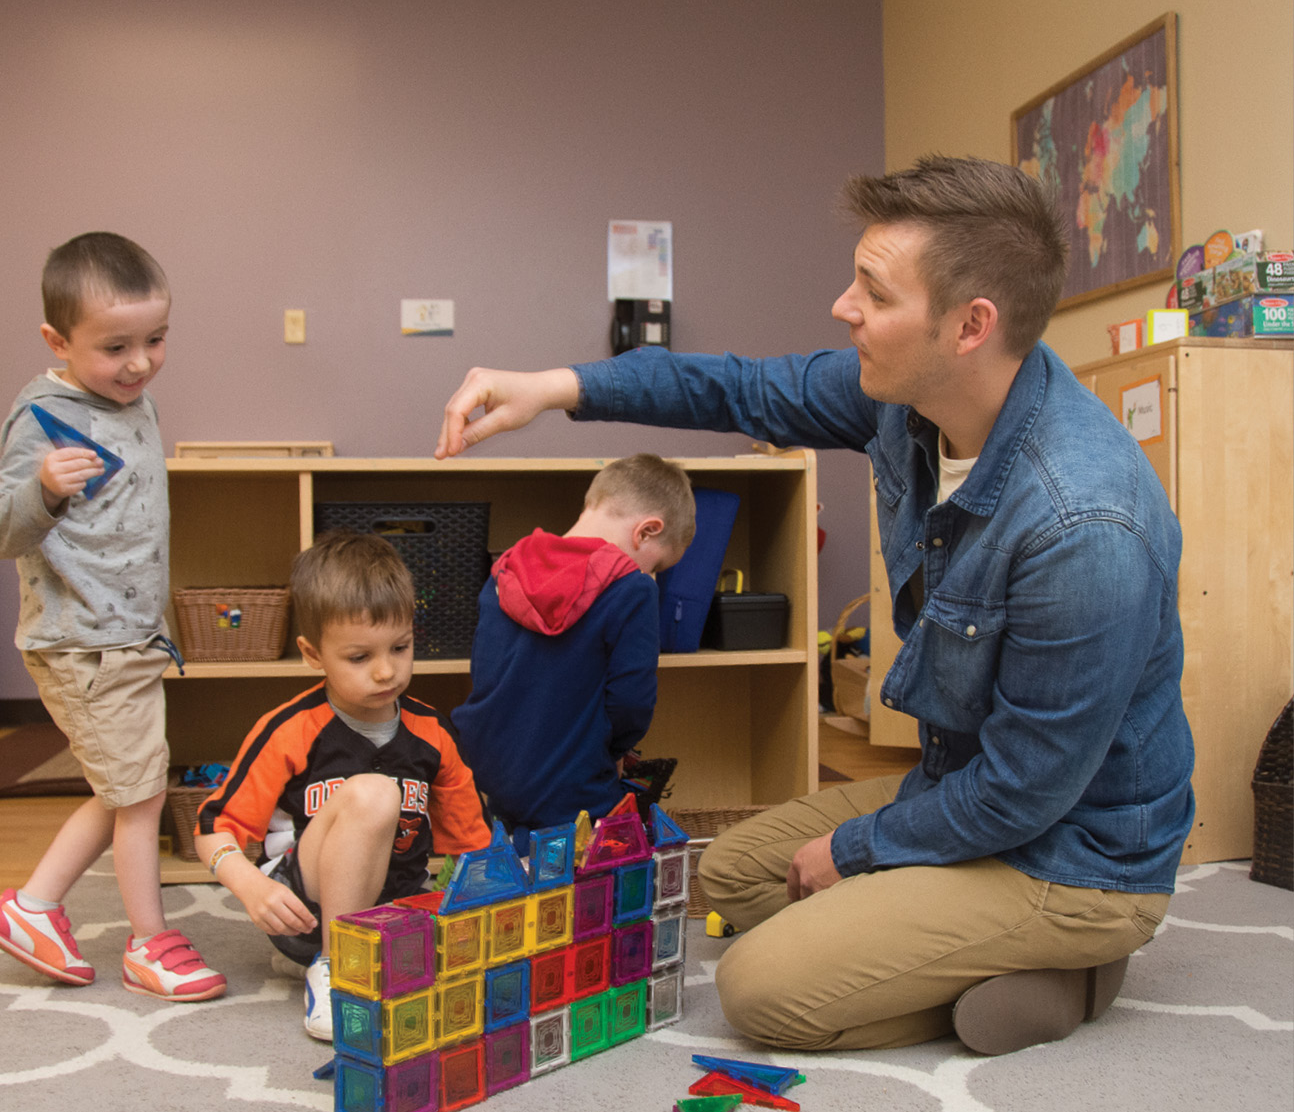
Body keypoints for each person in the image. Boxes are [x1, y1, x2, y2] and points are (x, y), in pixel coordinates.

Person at [434, 155, 1195, 1056]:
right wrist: (553, 389)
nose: (844, 307)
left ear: (969, 325)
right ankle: (981, 958)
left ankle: (1071, 958)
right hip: (963, 790)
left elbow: (1028, 790)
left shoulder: (1083, 522)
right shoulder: (909, 404)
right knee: (728, 879)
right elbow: (739, 387)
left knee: (762, 993)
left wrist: (859, 848)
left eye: (872, 291)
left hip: (1074, 858)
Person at [0, 232, 226, 1002]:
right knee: (140, 796)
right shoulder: (41, 415)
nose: (138, 363)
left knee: (124, 785)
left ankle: (32, 907)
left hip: (130, 639)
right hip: (81, 644)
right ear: (57, 342)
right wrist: (43, 490)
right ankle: (151, 943)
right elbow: (6, 529)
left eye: (155, 340)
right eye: (114, 347)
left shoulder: (139, 402)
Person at [194, 530, 491, 1040]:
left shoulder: (434, 733)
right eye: (360, 657)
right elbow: (211, 827)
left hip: (393, 910)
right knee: (375, 792)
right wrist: (251, 885)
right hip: (301, 911)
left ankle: (345, 956)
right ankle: (336, 966)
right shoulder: (289, 728)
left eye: (400, 647)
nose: (386, 671)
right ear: (313, 654)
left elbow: (472, 846)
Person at [452, 453, 695, 852]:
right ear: (646, 532)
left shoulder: (505, 571)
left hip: (487, 777)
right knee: (607, 878)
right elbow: (631, 701)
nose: (651, 575)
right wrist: (618, 752)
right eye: (657, 565)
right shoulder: (633, 590)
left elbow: (484, 673)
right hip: (575, 791)